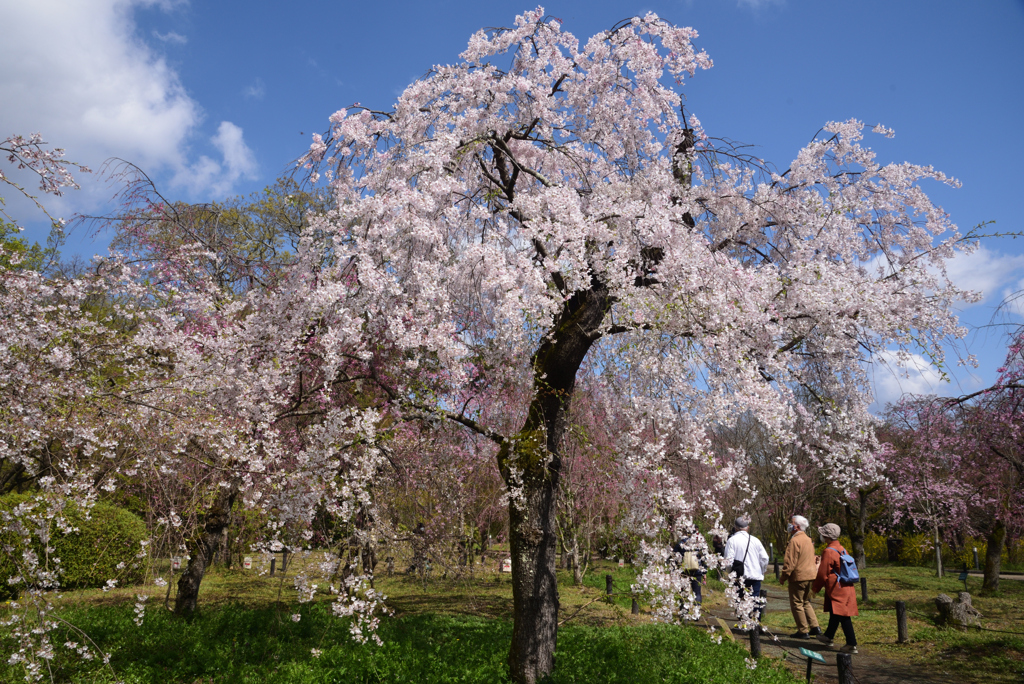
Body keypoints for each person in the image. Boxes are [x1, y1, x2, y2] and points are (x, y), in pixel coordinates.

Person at [812, 523, 858, 654]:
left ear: (826, 536)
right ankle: (828, 637)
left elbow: (822, 573)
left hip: (836, 588)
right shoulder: (842, 548)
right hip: (846, 585)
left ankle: (851, 644)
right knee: (835, 612)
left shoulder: (828, 551)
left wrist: (815, 589)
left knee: (843, 615)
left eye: (822, 534)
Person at [779, 515, 821, 639]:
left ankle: (803, 631)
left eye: (791, 523)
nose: (789, 525)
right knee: (806, 602)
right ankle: (815, 627)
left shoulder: (794, 541)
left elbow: (790, 562)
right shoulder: (808, 539)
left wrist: (784, 576)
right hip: (811, 575)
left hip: (799, 577)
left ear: (796, 526)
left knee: (797, 603)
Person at [723, 516, 769, 624]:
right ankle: (755, 625)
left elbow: (728, 561)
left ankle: (744, 623)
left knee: (740, 600)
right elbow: (765, 558)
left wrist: (730, 573)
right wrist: (762, 570)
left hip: (739, 576)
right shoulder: (755, 540)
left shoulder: (731, 540)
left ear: (735, 527)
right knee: (755, 600)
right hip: (755, 576)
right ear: (747, 527)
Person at [672, 535, 706, 606]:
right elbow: (704, 558)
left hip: (684, 570)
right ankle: (697, 611)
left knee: (684, 592)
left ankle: (684, 612)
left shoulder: (681, 543)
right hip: (697, 571)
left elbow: (674, 556)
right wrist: (704, 572)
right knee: (697, 593)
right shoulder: (699, 543)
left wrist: (675, 569)